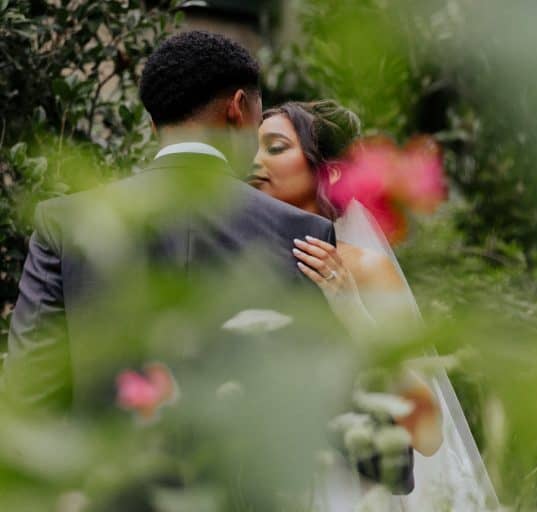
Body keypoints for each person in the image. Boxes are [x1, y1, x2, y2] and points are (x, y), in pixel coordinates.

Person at [5, 31, 336, 412]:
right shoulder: (303, 234)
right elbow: (319, 394)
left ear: (151, 126)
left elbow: (29, 393)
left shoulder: (65, 223)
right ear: (239, 108)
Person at [251, 100, 500, 511]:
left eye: (275, 147)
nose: (255, 161)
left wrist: (350, 310)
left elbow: (429, 432)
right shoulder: (248, 260)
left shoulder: (367, 270)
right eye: (253, 148)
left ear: (327, 171)